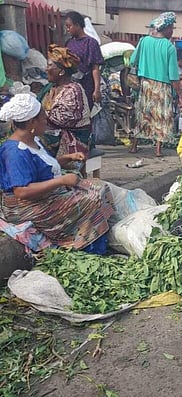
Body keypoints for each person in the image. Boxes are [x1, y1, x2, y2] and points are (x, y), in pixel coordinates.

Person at [0, 94, 114, 250]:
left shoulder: (34, 140)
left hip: (47, 195)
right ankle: (83, 246)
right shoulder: (15, 152)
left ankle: (96, 238)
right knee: (93, 199)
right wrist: (61, 181)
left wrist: (67, 158)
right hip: (27, 205)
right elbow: (21, 191)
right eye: (42, 119)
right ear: (32, 122)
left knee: (100, 187)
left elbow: (43, 167)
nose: (45, 122)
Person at [129, 12, 182, 156]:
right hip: (163, 87)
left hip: (145, 85)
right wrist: (179, 94)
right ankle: (158, 149)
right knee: (161, 117)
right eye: (171, 28)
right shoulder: (169, 47)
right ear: (164, 28)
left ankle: (134, 145)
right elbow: (173, 76)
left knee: (143, 115)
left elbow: (132, 60)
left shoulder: (144, 41)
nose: (172, 31)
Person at [37, 45, 91, 168]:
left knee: (34, 140)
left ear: (61, 71)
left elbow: (60, 120)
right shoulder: (50, 88)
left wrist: (36, 116)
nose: (46, 69)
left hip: (72, 138)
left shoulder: (73, 91)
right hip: (52, 132)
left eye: (49, 66)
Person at [64, 11, 104, 111]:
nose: (67, 29)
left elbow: (95, 68)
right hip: (71, 85)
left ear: (77, 25)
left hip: (86, 85)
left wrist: (96, 89)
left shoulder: (91, 43)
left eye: (69, 26)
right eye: (66, 27)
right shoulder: (69, 43)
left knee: (86, 112)